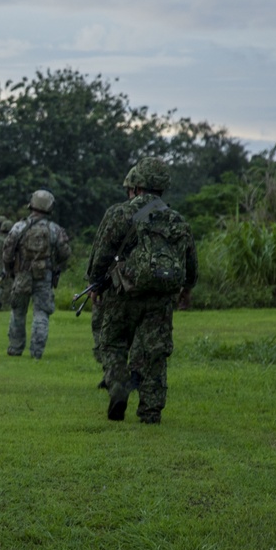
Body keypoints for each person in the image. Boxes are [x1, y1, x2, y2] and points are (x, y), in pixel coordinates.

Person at [87, 156, 198, 423]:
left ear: (137, 185)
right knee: (155, 353)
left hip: (123, 293)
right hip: (160, 298)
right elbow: (190, 262)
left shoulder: (119, 213)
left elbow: (101, 254)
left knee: (112, 344)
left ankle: (118, 387)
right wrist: (186, 289)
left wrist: (94, 283)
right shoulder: (176, 219)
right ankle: (151, 412)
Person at [1, 190, 72, 359]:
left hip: (22, 275)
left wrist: (9, 269)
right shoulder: (54, 229)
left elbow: (7, 252)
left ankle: (15, 348)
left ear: (31, 204)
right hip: (44, 276)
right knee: (41, 313)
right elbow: (65, 253)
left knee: (18, 311)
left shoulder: (19, 227)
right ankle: (36, 352)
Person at [87, 165, 138, 388]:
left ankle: (113, 375)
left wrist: (94, 282)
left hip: (117, 282)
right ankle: (135, 374)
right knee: (142, 331)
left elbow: (101, 248)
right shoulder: (166, 214)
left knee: (109, 332)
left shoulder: (118, 212)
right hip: (153, 283)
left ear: (131, 189)